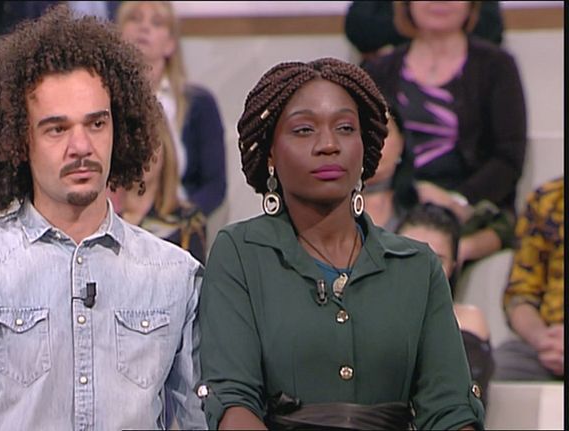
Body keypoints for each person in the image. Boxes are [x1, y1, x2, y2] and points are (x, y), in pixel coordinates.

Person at [0, 6, 206, 430]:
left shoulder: (175, 275)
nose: (82, 146)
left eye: (97, 124)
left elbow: (200, 420)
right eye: (57, 129)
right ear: (18, 140)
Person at [197, 58, 484, 430]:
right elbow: (233, 400)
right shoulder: (240, 253)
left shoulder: (417, 266)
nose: (329, 145)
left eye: (346, 128)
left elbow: (450, 408)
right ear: (270, 153)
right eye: (304, 130)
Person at [363, 1, 527, 265]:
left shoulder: (497, 66)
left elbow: (508, 157)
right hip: (394, 197)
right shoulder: (378, 69)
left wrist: (457, 200)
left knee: (433, 244)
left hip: (468, 205)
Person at [116, 0, 227, 217]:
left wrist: (179, 221)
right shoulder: (102, 101)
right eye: (135, 19)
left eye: (157, 23)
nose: (144, 27)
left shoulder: (199, 103)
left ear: (170, 44)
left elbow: (214, 187)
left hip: (179, 221)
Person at [396, 203, 495, 406]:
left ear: (452, 267)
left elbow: (459, 403)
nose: (421, 269)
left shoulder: (468, 321)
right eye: (408, 255)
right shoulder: (361, 316)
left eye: (436, 260)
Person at [493, 177, 564, 381]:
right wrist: (543, 340)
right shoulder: (548, 199)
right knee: (493, 369)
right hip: (550, 347)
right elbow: (520, 296)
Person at [111, 118, 208, 264]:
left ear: (165, 149)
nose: (142, 152)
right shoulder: (105, 225)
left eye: (149, 142)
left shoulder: (188, 224)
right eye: (134, 142)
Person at [345, 0, 504, 65]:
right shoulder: (384, 69)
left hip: (469, 74)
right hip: (390, 80)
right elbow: (358, 28)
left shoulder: (499, 67)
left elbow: (490, 28)